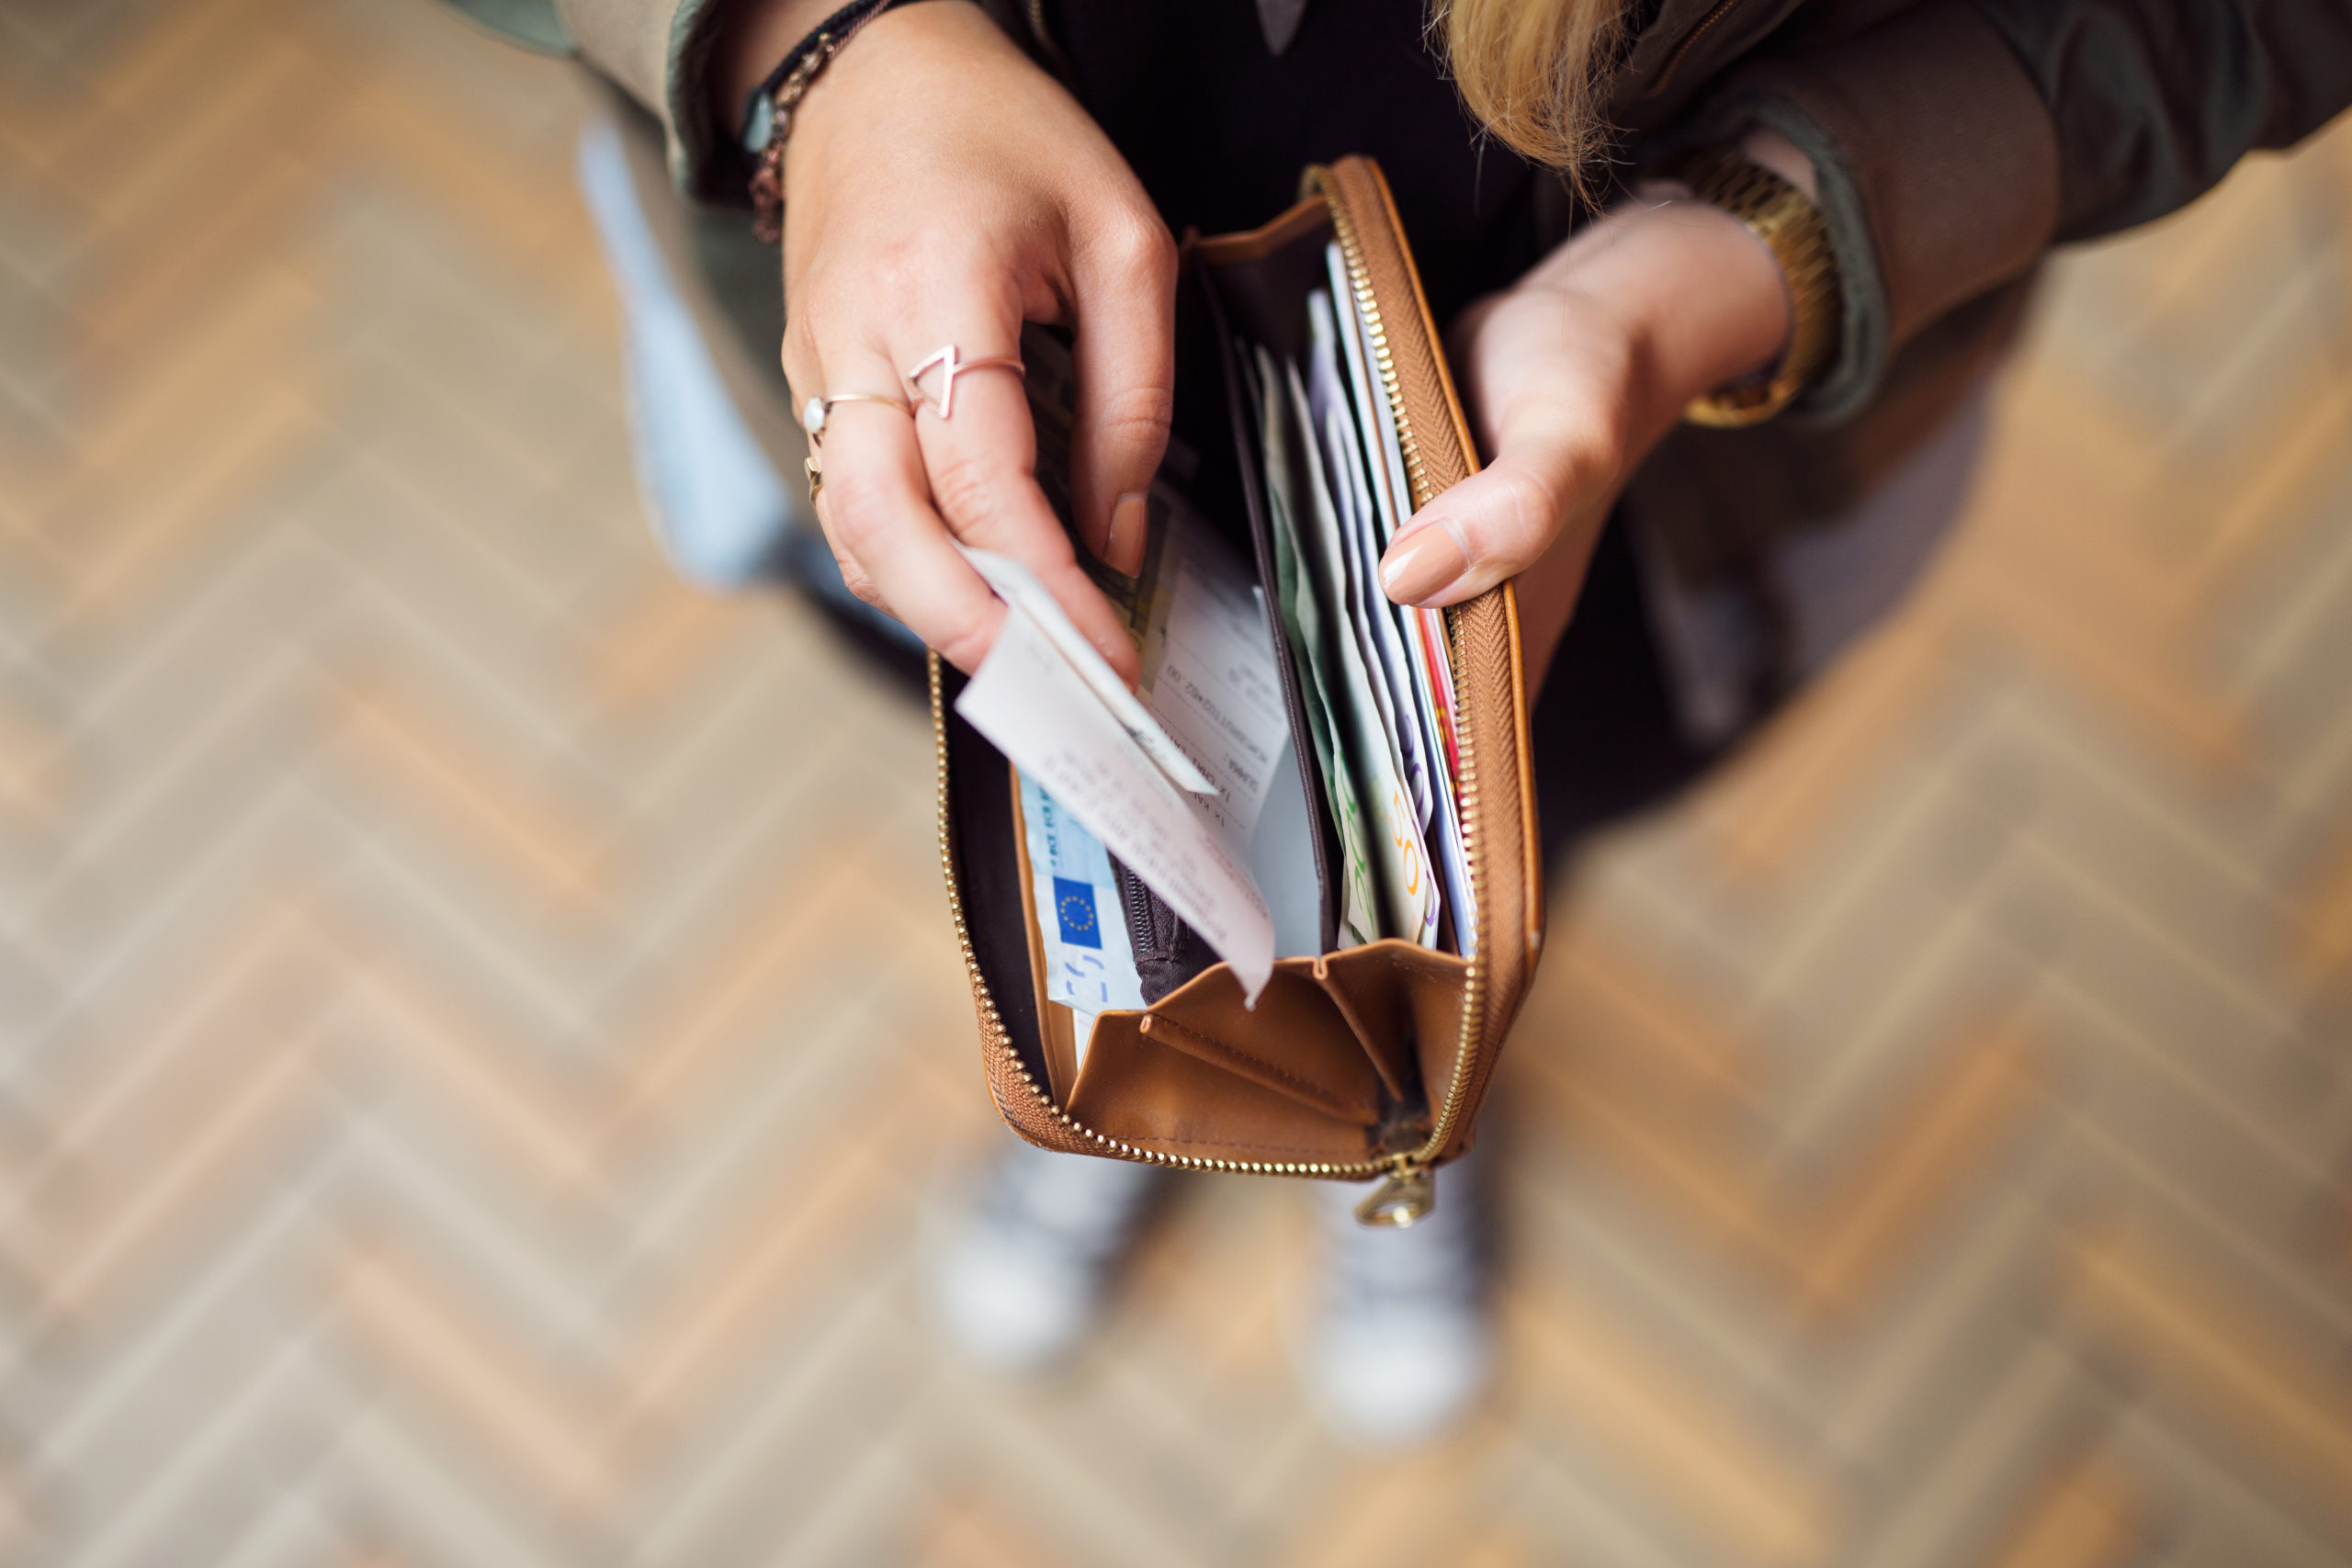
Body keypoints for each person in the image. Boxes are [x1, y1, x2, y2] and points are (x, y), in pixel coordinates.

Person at [452, 0, 2352, 1444]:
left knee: (1484, 855)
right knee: (1038, 772)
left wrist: (1709, 273)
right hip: (921, 398)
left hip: (1649, 484)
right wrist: (814, 49)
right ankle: (1127, 1071)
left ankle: (1396, 1100)